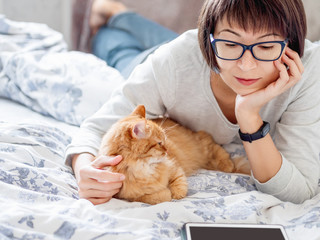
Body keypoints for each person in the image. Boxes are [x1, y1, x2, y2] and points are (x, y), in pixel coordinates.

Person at [65, 0, 320, 205]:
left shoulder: (309, 70)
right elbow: (96, 128)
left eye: (266, 47)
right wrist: (86, 169)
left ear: (292, 45)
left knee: (167, 41)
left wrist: (249, 116)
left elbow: (299, 189)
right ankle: (112, 18)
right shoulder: (174, 62)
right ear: (208, 40)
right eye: (230, 43)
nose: (247, 65)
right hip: (168, 59)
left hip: (189, 50)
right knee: (122, 55)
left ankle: (121, 14)